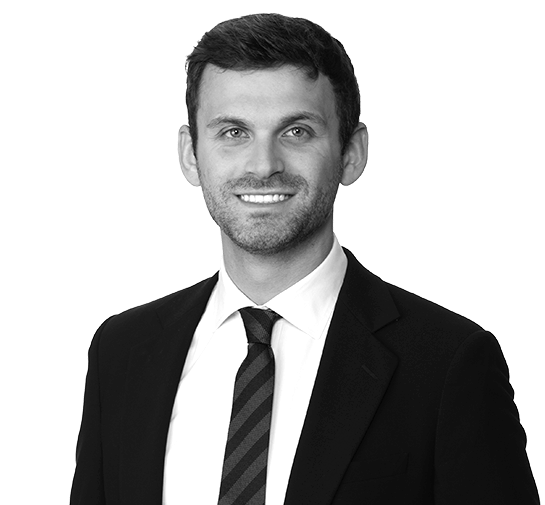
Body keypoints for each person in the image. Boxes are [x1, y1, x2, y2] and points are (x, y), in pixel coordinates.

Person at [70, 13, 539, 505]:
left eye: (296, 132)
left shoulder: (449, 362)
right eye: (233, 132)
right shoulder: (122, 351)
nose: (263, 166)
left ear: (352, 153)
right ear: (190, 154)